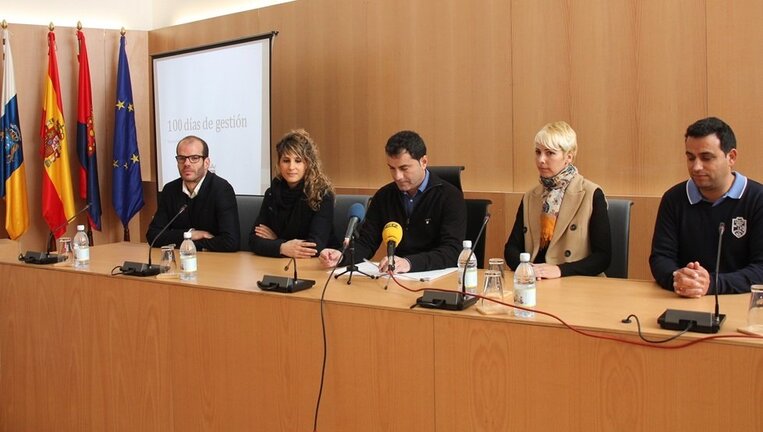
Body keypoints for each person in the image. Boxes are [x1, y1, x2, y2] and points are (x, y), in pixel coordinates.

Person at [319, 130, 466, 273]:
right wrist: (342, 256)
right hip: (397, 276)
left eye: (404, 168)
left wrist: (409, 263)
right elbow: (366, 243)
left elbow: (452, 251)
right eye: (392, 168)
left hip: (438, 277)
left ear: (424, 162)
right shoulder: (384, 196)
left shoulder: (450, 196)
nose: (397, 176)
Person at [650, 117, 763, 296]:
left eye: (706, 158)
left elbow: (760, 268)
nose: (696, 167)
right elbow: (661, 258)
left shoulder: (758, 199)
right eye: (690, 158)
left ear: (731, 157)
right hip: (684, 298)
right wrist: (678, 277)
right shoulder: (674, 198)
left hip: (742, 301)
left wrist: (712, 284)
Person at [504, 121, 611, 278]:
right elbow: (511, 249)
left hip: (576, 283)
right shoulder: (530, 197)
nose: (541, 160)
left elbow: (603, 257)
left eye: (550, 153)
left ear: (568, 157)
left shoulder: (590, 193)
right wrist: (526, 269)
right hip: (534, 280)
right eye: (537, 152)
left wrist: (560, 270)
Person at [249, 129, 335, 258]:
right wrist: (283, 247)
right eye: (286, 160)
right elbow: (254, 240)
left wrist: (276, 241)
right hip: (278, 265)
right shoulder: (272, 193)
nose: (291, 167)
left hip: (318, 265)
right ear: (279, 163)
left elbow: (315, 247)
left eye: (298, 160)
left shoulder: (322, 195)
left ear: (308, 164)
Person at [146, 135, 240, 252]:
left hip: (214, 262)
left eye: (194, 158)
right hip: (181, 261)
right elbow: (153, 236)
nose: (187, 164)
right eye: (181, 158)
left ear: (206, 163)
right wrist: (191, 234)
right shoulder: (170, 190)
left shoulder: (221, 189)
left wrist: (186, 243)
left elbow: (230, 242)